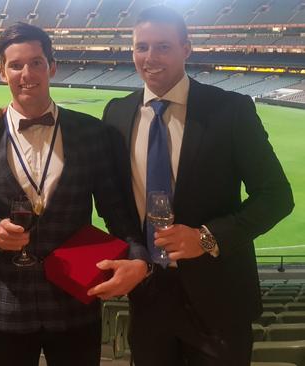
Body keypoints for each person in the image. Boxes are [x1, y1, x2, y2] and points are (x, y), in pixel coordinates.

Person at [102, 5, 294, 365]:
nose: (150, 57)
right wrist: (134, 252)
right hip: (149, 295)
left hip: (218, 300)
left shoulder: (231, 110)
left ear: (186, 49)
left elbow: (277, 197)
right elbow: (115, 203)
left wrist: (207, 238)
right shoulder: (117, 113)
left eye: (163, 46)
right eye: (141, 46)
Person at [0, 22, 146, 366]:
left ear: (52, 66)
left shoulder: (92, 133)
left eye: (36, 62)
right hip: (7, 304)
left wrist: (138, 257)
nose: (27, 73)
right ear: (2, 71)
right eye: (16, 65)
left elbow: (117, 211)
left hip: (75, 302)